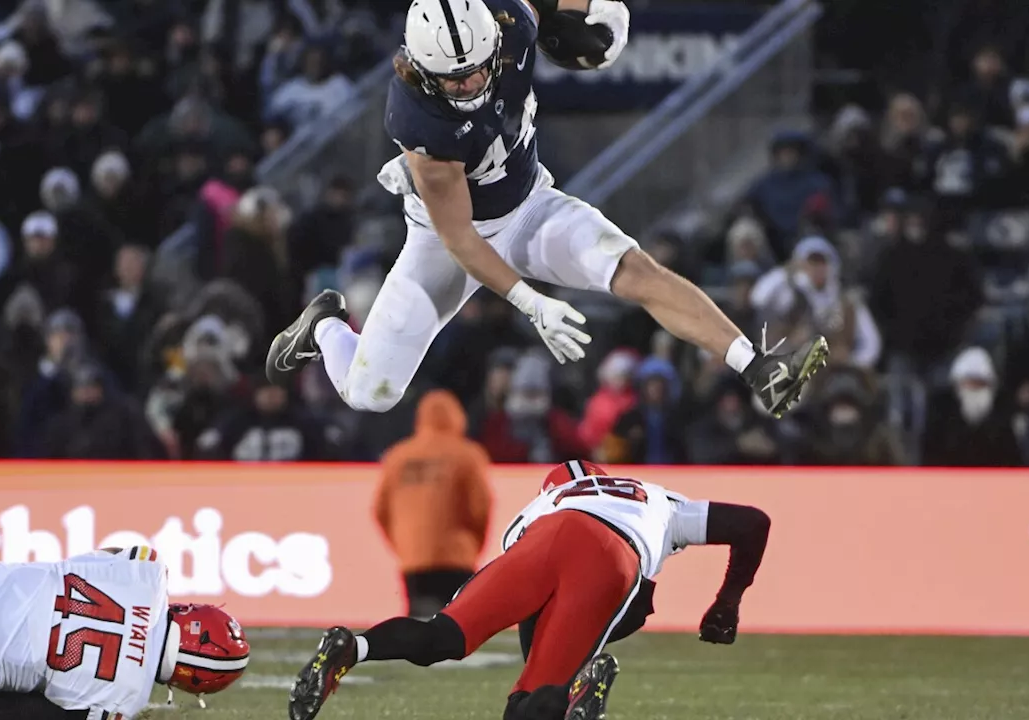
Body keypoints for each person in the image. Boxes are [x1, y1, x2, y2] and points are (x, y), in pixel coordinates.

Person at [264, 0, 828, 421]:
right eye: (456, 79)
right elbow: (462, 239)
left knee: (636, 271)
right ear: (419, 70)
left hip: (530, 204)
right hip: (450, 239)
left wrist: (602, 10)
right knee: (372, 394)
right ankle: (327, 327)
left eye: (481, 68)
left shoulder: (509, 19)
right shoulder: (418, 119)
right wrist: (532, 303)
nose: (473, 84)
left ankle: (757, 367)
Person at [288, 460, 773, 720]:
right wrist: (727, 601)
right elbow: (754, 522)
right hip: (615, 553)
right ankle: (571, 694)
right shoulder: (657, 496)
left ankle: (355, 646)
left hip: (541, 541)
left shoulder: (538, 507)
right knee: (533, 697)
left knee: (441, 637)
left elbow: (528, 614)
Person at [0, 546, 248, 719]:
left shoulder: (149, 572)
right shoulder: (124, 702)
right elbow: (3, 713)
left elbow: (105, 554)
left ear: (191, 616)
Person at [376, 390, 493, 618]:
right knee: (458, 626)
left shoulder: (397, 456)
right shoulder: (467, 455)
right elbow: (481, 508)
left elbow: (380, 511)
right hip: (457, 555)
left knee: (417, 626)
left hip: (412, 557)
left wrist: (403, 545)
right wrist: (474, 546)